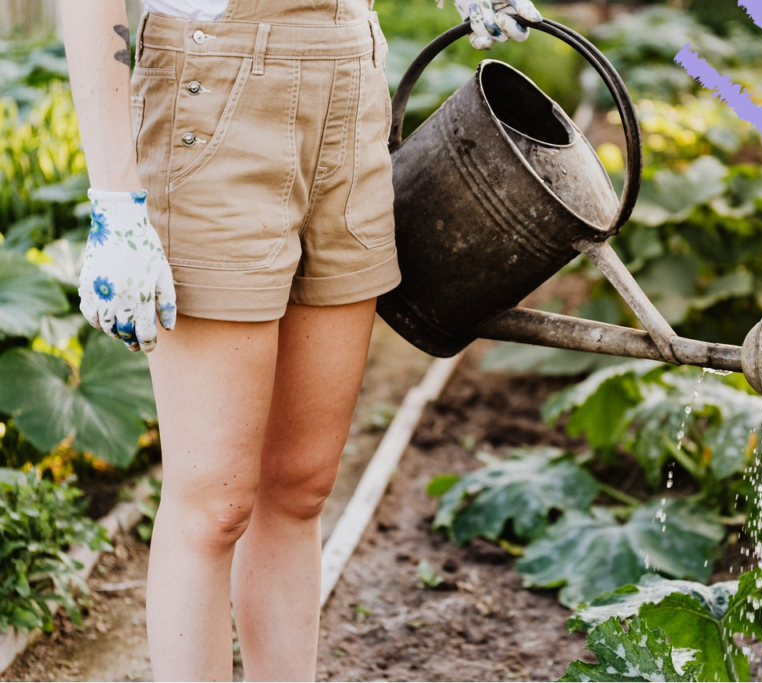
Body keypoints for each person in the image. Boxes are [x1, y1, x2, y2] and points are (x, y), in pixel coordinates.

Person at [58, 0, 542, 679]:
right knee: (215, 503)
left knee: (301, 485)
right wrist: (114, 199)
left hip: (350, 76)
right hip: (215, 89)